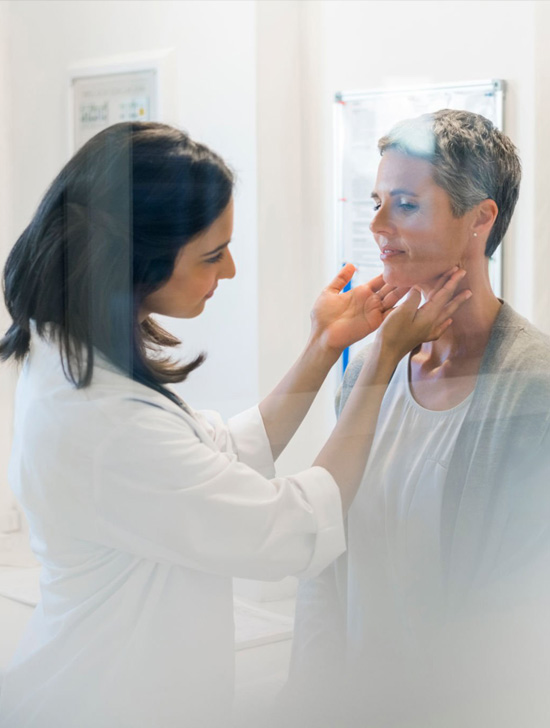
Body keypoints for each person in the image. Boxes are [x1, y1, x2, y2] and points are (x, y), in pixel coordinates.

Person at [0, 122, 467, 728]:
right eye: (212, 255)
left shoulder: (75, 355)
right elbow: (292, 528)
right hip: (102, 701)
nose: (232, 271)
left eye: (405, 205)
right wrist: (379, 361)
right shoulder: (104, 421)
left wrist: (325, 346)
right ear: (132, 261)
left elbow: (221, 455)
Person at [287, 109, 550, 728]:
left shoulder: (532, 389)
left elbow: (517, 609)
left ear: (480, 220)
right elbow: (323, 548)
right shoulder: (368, 367)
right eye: (376, 202)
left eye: (404, 204)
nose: (377, 226)